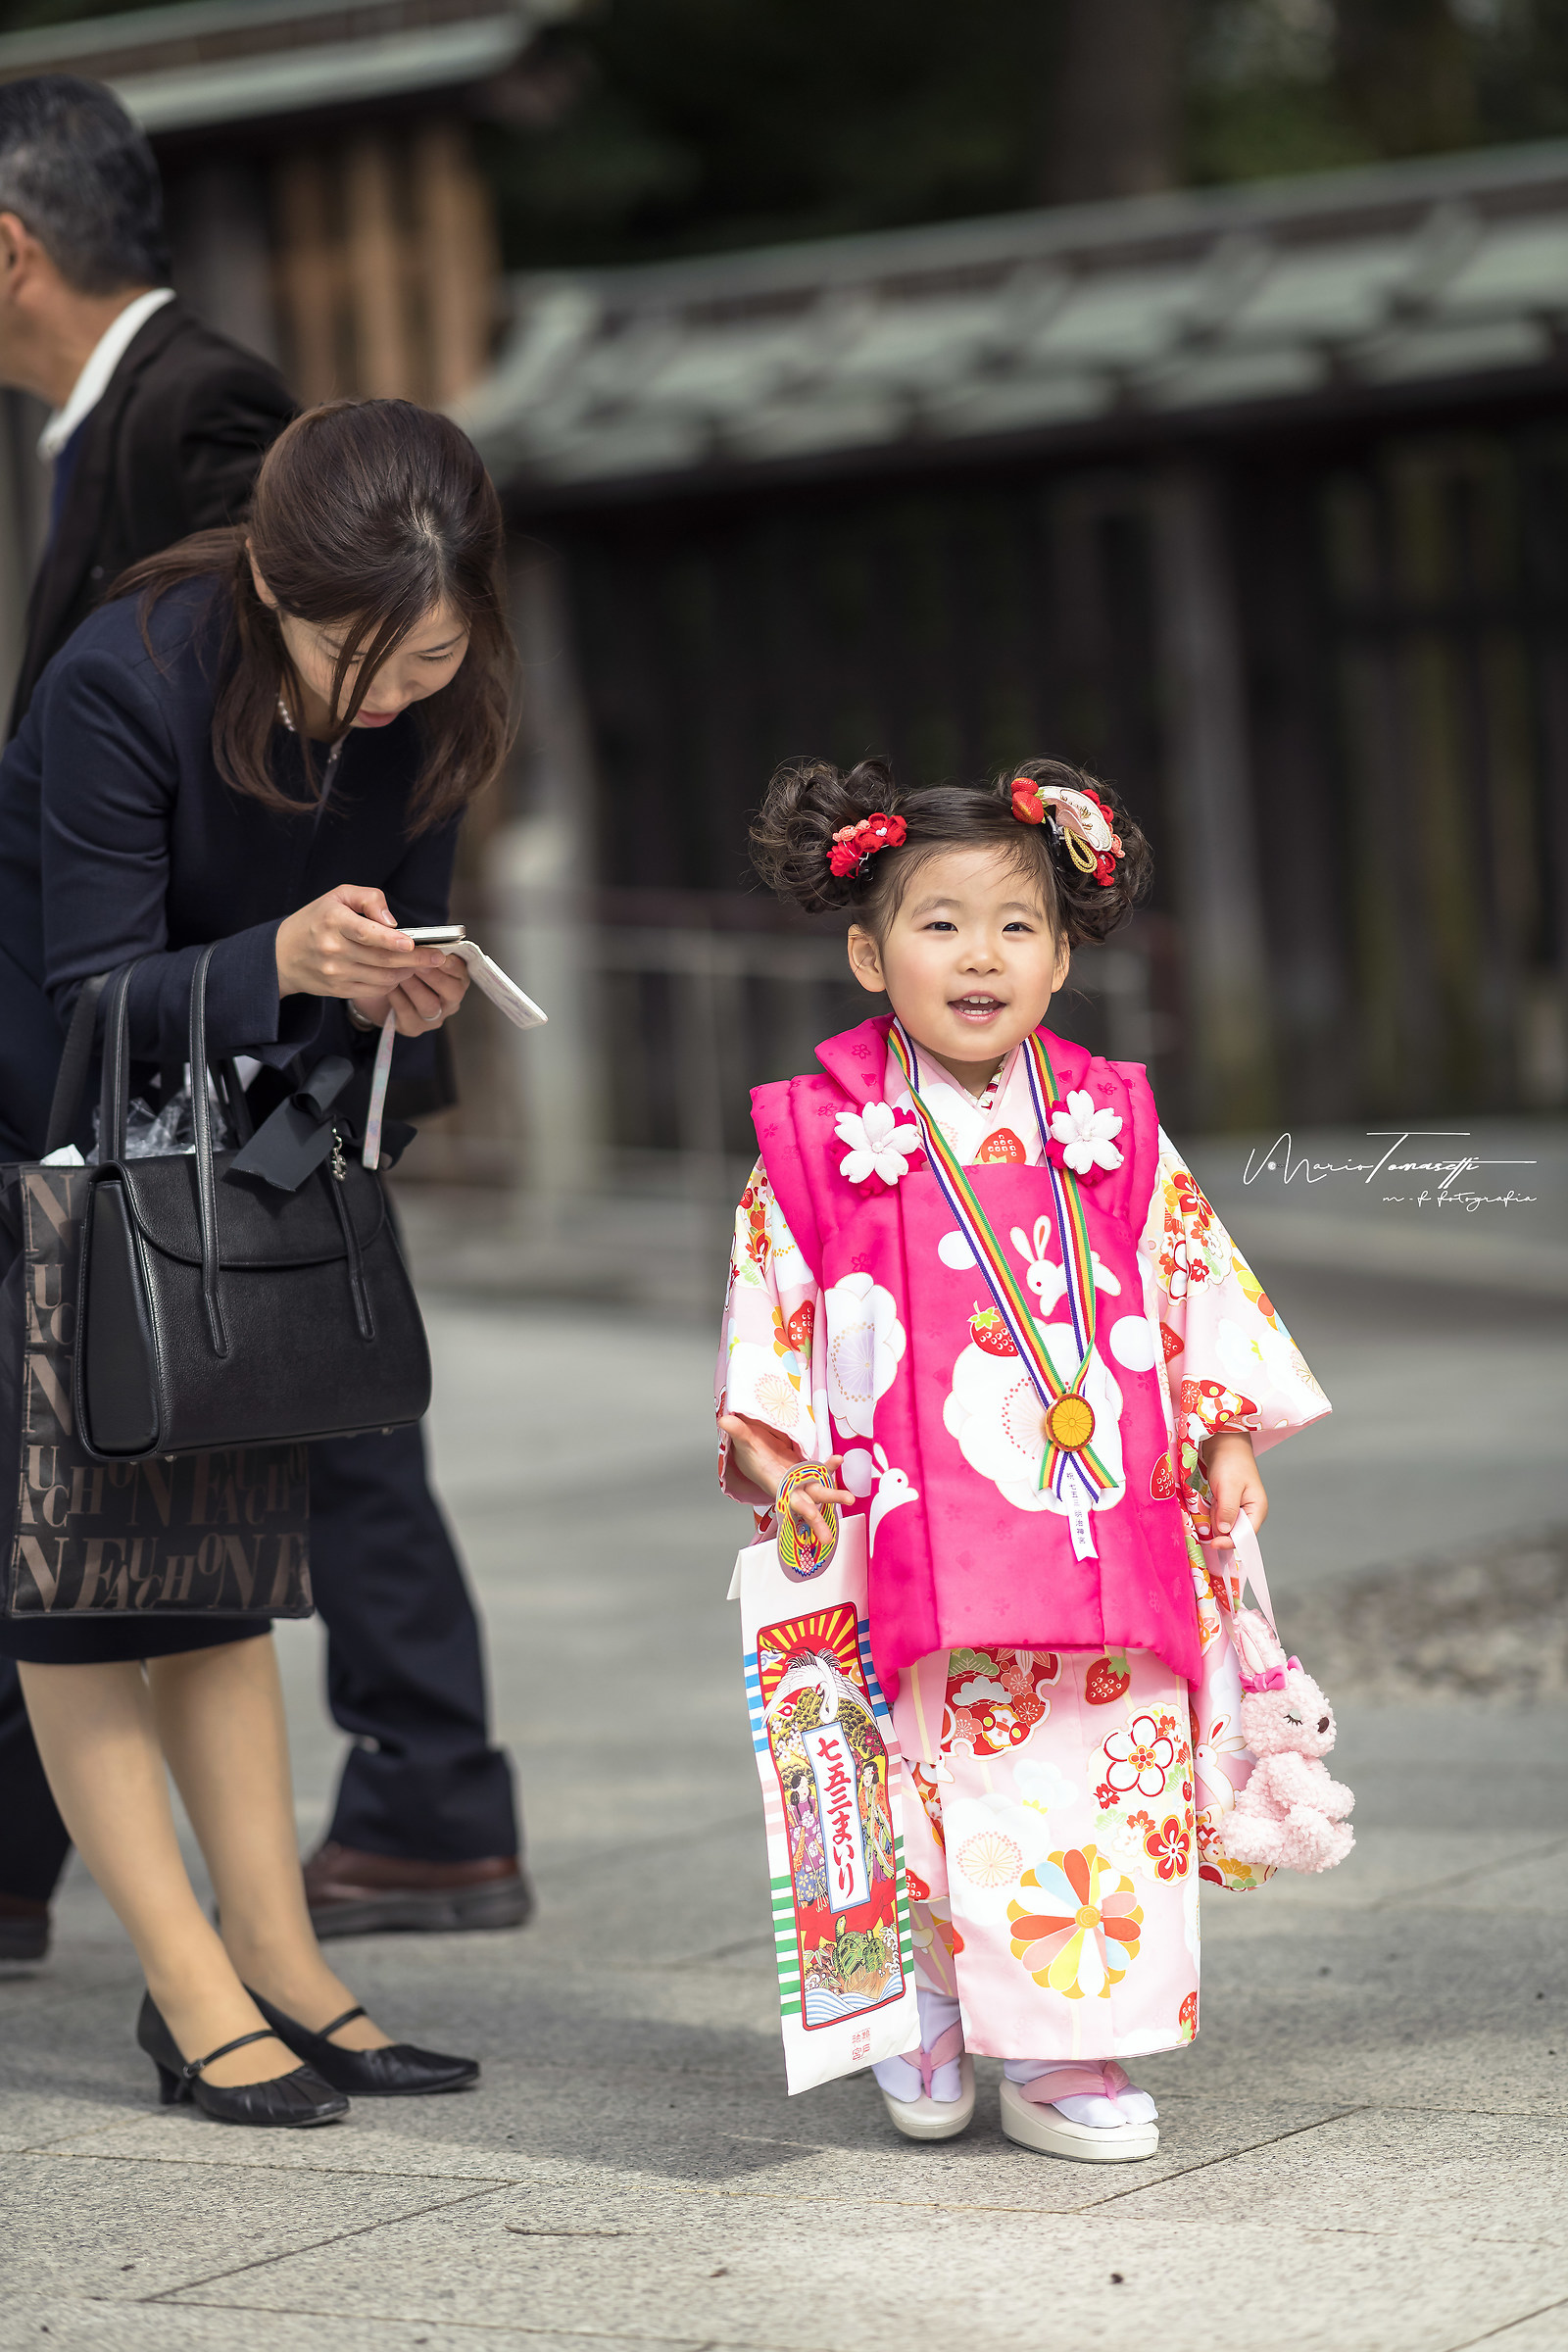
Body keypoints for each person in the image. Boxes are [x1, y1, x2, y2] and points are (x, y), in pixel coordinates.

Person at [0, 73, 526, 1960]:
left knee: (274, 1447)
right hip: (82, 1084)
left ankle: (321, 1896)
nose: (395, 690)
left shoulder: (237, 445)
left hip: (277, 1084)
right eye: (362, 655)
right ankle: (197, 1948)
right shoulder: (146, 663)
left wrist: (388, 988)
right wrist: (282, 964)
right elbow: (95, 965)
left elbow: (369, 833)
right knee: (94, 1513)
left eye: (435, 655)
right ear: (276, 588)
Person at [717, 758, 1331, 2160]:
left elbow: (1189, 1274)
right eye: (939, 923)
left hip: (1099, 1515)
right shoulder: (819, 1136)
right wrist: (774, 1453)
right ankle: (926, 2005)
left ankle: (1064, 2044)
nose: (980, 955)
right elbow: (770, 1302)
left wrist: (1225, 1425)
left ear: (1062, 956)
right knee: (916, 1767)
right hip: (902, 1519)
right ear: (870, 954)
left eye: (1016, 925)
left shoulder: (1111, 1122)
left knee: (1098, 1766)